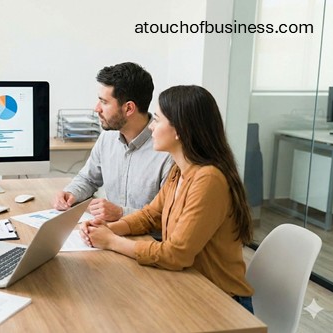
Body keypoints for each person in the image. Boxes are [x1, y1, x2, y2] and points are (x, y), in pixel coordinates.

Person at [80, 85, 255, 313]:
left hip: (221, 302)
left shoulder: (208, 179)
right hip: (189, 285)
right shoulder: (180, 170)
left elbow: (175, 255)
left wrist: (112, 242)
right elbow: (152, 215)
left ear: (179, 130)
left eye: (158, 120)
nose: (151, 126)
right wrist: (110, 229)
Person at [53, 62, 172, 222]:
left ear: (129, 108)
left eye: (104, 102)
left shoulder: (167, 151)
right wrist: (71, 193)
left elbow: (169, 217)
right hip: (110, 234)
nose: (97, 108)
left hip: (147, 241)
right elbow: (88, 179)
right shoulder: (107, 138)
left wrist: (121, 213)